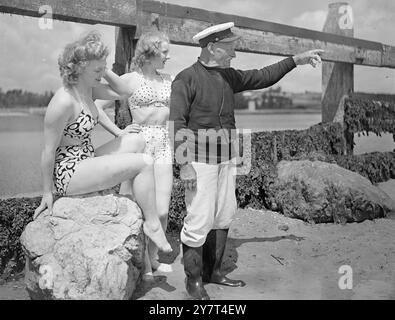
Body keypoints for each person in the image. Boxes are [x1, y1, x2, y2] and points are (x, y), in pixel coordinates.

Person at [169, 22, 323, 300]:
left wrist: (294, 61)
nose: (234, 55)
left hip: (227, 158)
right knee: (198, 218)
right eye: (230, 49)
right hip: (199, 161)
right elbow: (177, 123)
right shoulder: (185, 78)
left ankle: (214, 272)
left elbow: (263, 77)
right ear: (212, 47)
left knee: (224, 213)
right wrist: (184, 165)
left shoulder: (229, 76)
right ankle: (193, 282)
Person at [33, 31, 172, 254]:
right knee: (145, 161)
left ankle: (141, 209)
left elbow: (126, 90)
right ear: (78, 68)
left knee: (136, 140)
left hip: (87, 159)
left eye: (102, 69)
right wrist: (47, 193)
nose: (101, 74)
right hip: (69, 172)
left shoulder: (89, 89)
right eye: (97, 70)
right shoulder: (62, 102)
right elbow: (48, 152)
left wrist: (102, 66)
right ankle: (152, 224)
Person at [95, 31, 174, 279]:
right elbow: (96, 105)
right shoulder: (130, 79)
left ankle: (153, 256)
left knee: (162, 210)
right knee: (138, 208)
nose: (168, 57)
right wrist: (119, 132)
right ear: (150, 53)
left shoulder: (170, 79)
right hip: (140, 145)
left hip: (163, 142)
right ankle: (144, 264)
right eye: (164, 52)